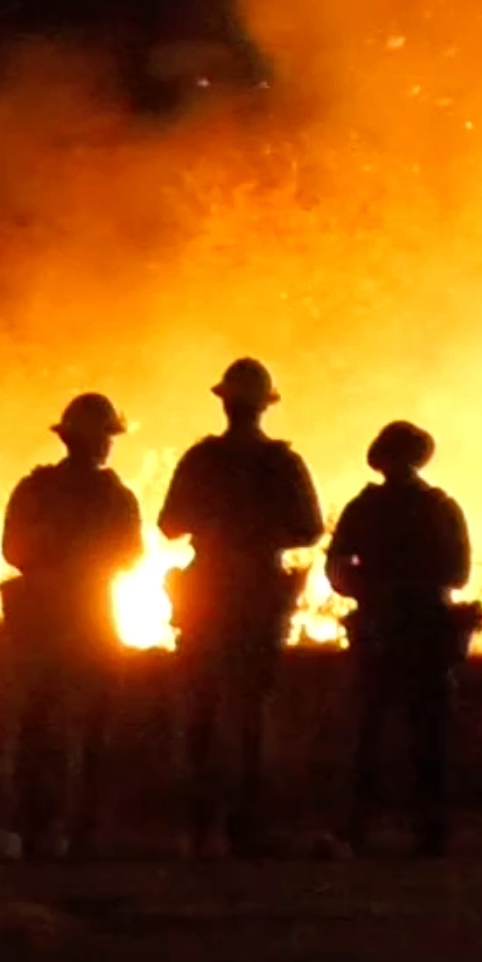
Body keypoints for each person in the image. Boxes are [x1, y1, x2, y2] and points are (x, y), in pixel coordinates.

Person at [159, 358, 324, 858]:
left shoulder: (201, 459)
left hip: (207, 590)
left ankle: (196, 827)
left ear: (225, 403)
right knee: (251, 711)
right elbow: (310, 529)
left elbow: (170, 524)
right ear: (263, 406)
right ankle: (246, 826)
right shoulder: (282, 463)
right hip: (257, 593)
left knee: (202, 713)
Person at [0, 393, 145, 861]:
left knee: (41, 726)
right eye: (103, 437)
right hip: (86, 615)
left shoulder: (36, 490)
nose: (105, 446)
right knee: (90, 728)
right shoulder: (114, 496)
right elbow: (129, 554)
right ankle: (80, 831)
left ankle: (39, 830)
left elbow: (13, 550)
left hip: (48, 618)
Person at [327, 421, 474, 859]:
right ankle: (427, 828)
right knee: (423, 731)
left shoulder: (366, 507)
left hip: (387, 627)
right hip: (418, 627)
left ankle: (364, 825)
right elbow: (459, 572)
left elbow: (337, 567)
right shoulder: (438, 507)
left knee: (375, 730)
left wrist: (369, 589)